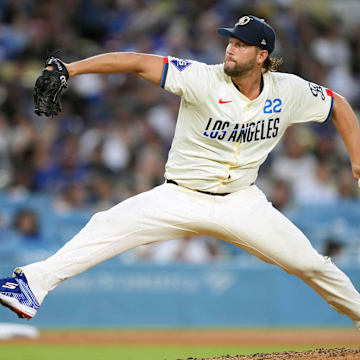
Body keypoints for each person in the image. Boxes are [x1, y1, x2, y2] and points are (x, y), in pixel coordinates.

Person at [1, 15, 360, 328]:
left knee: (311, 264)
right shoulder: (201, 78)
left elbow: (338, 105)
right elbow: (138, 62)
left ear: (262, 56)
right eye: (230, 41)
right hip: (180, 196)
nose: (230, 49)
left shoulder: (290, 91)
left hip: (242, 202)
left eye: (241, 45)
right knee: (105, 224)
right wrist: (71, 68)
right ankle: (31, 285)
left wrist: (356, 158)